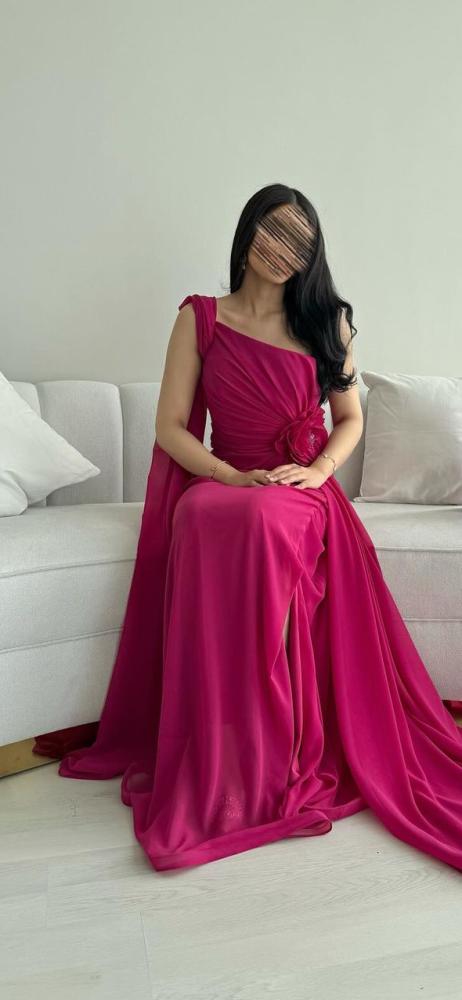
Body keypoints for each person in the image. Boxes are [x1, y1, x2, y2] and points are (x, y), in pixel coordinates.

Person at [59, 183, 462, 874]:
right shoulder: (200, 318)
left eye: (300, 243)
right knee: (208, 515)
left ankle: (276, 746)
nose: (283, 252)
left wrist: (318, 471)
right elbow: (169, 427)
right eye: (274, 232)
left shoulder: (326, 323)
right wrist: (227, 475)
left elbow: (351, 419)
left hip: (298, 490)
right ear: (248, 232)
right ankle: (220, 739)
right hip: (225, 480)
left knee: (267, 521)